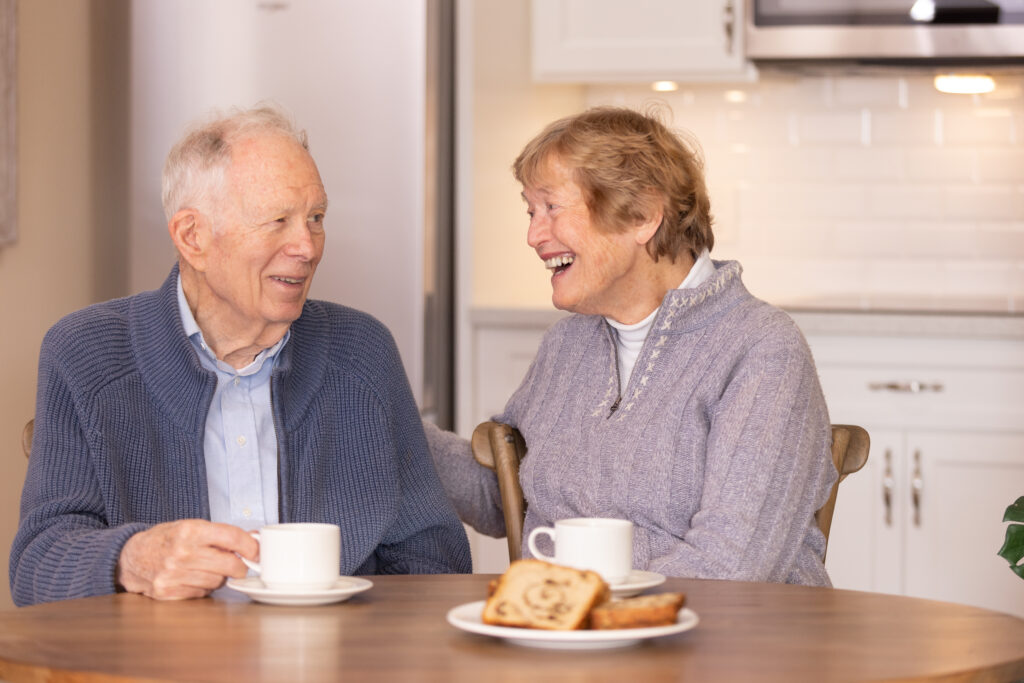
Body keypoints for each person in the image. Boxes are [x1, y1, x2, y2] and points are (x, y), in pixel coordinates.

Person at [10, 105, 471, 606]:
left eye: (316, 218)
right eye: (277, 220)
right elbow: (38, 566)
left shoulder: (363, 351)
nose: (307, 246)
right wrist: (132, 558)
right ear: (193, 237)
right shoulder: (85, 352)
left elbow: (436, 558)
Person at [425, 106, 836, 586]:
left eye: (551, 208)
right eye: (530, 210)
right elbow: (502, 498)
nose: (533, 235)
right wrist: (379, 410)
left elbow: (733, 566)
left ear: (642, 216)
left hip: (719, 648)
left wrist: (581, 608)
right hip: (575, 644)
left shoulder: (761, 349)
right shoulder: (568, 344)